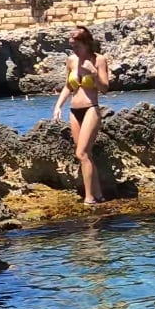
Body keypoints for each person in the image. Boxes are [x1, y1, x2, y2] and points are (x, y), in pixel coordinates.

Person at [51, 26, 108, 204]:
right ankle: (98, 194)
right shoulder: (71, 61)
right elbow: (69, 86)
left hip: (91, 108)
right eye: (71, 46)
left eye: (76, 46)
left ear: (86, 44)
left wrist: (93, 74)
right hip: (74, 111)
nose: (73, 50)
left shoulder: (99, 60)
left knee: (81, 153)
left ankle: (89, 198)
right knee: (86, 154)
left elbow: (105, 88)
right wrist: (58, 105)